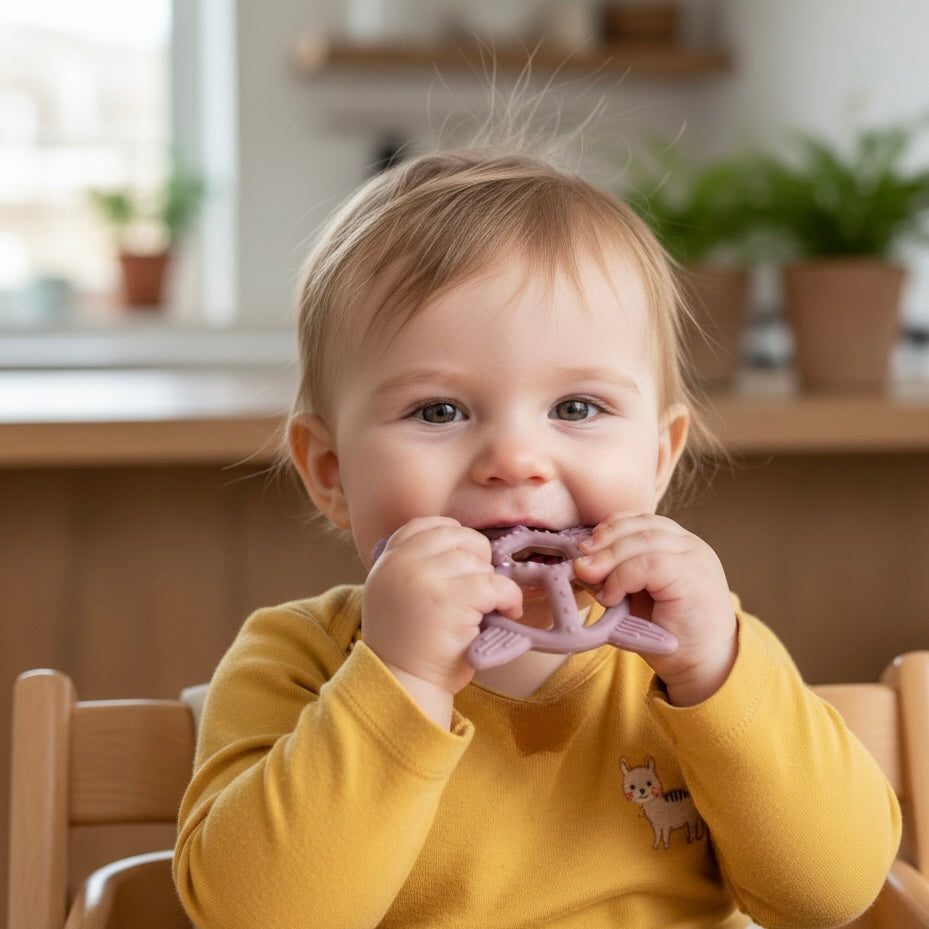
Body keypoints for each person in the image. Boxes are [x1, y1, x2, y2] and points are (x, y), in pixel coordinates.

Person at [173, 146, 900, 928]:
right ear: (330, 469)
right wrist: (402, 677)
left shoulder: (701, 653)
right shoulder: (297, 661)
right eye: (439, 411)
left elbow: (829, 893)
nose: (515, 461)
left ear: (658, 457)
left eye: (577, 408)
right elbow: (257, 916)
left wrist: (717, 669)